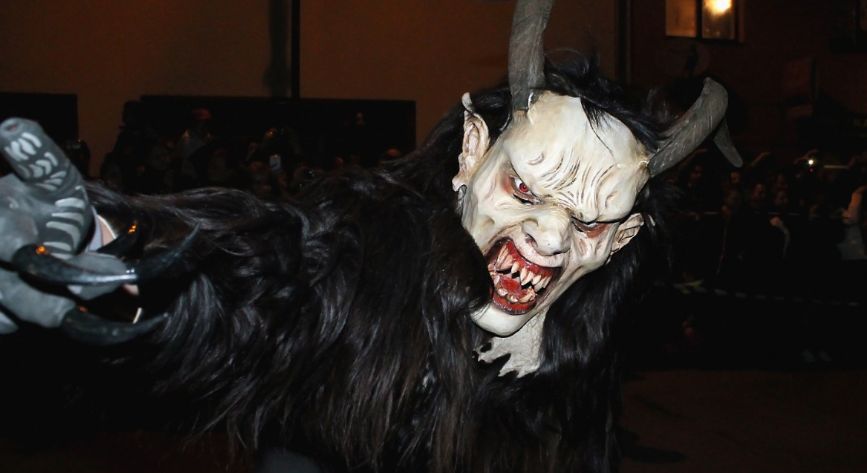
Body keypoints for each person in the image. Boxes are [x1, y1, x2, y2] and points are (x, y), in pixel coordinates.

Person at [0, 1, 740, 471]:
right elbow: (268, 282)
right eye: (524, 190)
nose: (550, 239)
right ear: (471, 152)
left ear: (620, 238)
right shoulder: (373, 251)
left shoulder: (585, 323)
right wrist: (117, 249)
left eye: (587, 221)